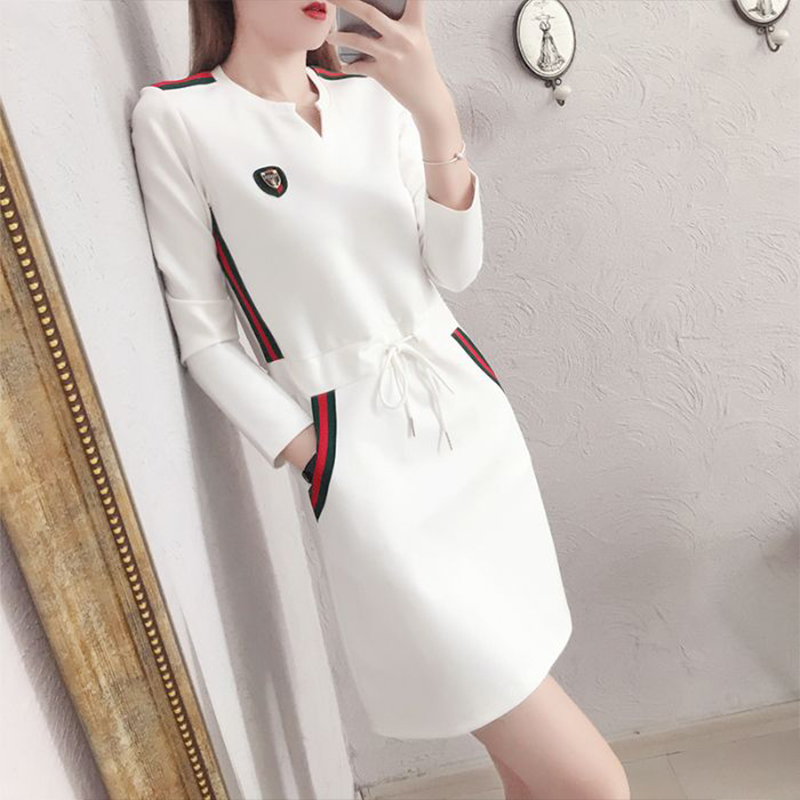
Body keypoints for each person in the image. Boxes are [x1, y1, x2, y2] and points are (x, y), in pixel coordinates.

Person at [130, 1, 629, 797]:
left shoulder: (374, 99)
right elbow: (204, 339)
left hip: (471, 434)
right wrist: (319, 460)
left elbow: (455, 269)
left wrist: (434, 111)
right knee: (594, 785)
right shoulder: (180, 119)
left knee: (528, 771)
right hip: (363, 469)